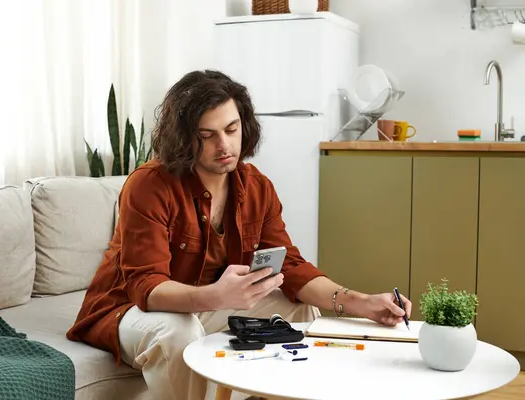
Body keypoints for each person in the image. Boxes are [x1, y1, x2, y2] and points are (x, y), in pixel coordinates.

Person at [66, 70, 412, 400]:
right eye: (207, 136)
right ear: (185, 138)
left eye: (231, 129)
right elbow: (146, 286)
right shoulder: (150, 185)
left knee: (300, 309)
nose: (224, 145)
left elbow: (290, 266)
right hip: (128, 309)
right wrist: (217, 296)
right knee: (178, 331)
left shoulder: (256, 186)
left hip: (205, 302)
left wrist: (361, 303)